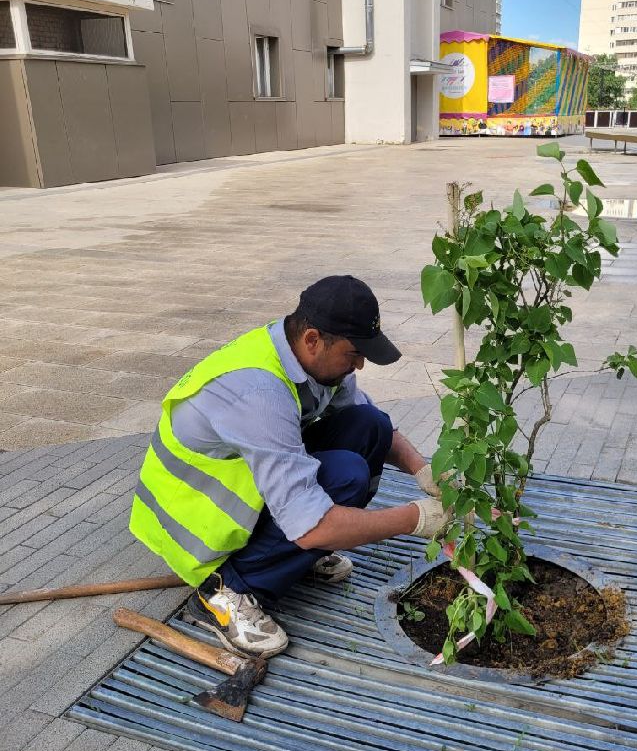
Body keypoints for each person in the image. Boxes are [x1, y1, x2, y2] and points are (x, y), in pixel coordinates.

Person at [130, 276, 452, 657]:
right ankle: (226, 589)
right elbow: (313, 523)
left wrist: (422, 469)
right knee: (344, 479)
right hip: (192, 521)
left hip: (243, 482)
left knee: (372, 426)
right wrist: (417, 519)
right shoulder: (259, 392)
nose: (361, 365)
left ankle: (293, 555)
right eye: (354, 353)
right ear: (313, 339)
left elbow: (360, 414)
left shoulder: (309, 359)